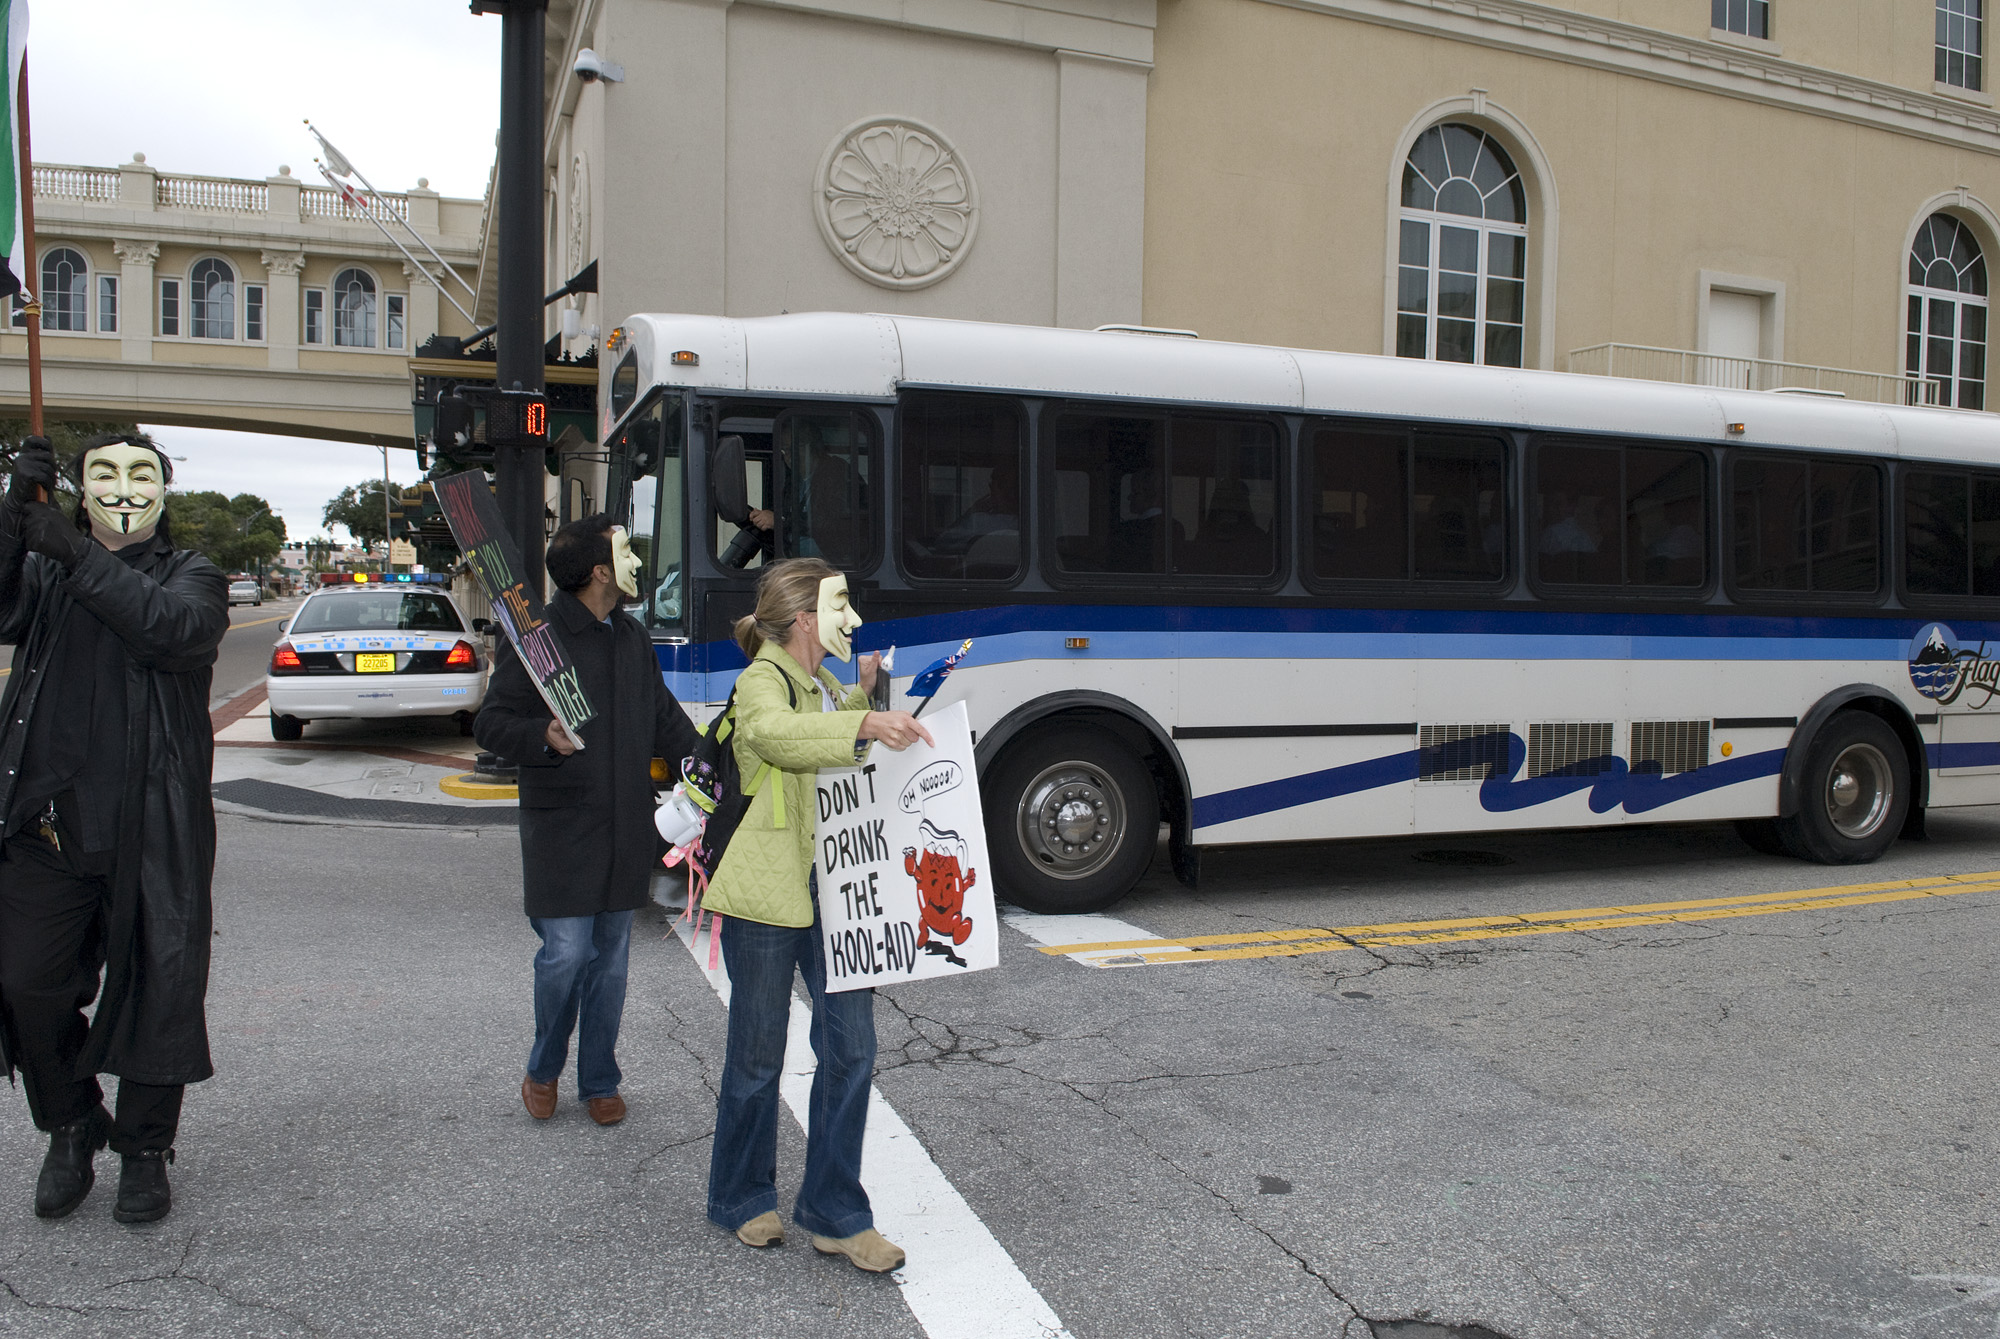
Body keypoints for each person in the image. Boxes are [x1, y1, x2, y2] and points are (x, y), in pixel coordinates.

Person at [0, 432, 228, 1223]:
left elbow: (170, 630)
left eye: (140, 474)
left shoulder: (192, 574)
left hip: (150, 828)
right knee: (25, 982)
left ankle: (143, 1150)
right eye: (103, 472)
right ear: (79, 487)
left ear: (162, 491)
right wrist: (11, 516)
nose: (122, 486)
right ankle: (69, 1122)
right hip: (46, 830)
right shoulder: (44, 574)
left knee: (160, 987)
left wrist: (74, 552)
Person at [702, 557, 934, 1272]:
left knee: (853, 1048)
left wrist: (861, 703)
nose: (853, 620)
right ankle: (741, 1196)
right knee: (756, 1054)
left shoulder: (825, 683)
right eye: (840, 606)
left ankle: (837, 1212)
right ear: (803, 617)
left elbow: (845, 757)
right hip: (768, 893)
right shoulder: (760, 680)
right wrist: (862, 718)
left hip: (835, 892)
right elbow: (774, 737)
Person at [475, 514, 699, 1128]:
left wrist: (709, 766)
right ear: (600, 569)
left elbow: (666, 720)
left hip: (627, 826)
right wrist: (541, 736)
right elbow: (490, 723)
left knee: (612, 961)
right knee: (567, 954)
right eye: (626, 550)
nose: (636, 561)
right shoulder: (537, 637)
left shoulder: (631, 637)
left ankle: (600, 1077)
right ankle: (544, 1066)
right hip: (561, 829)